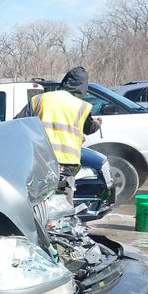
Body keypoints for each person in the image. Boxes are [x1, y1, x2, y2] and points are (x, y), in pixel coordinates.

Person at [17, 66, 102, 203]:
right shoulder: (82, 106)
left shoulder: (39, 99)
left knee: (39, 202)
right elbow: (89, 128)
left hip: (42, 160)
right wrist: (97, 124)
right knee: (63, 204)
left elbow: (19, 124)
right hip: (68, 164)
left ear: (64, 82)